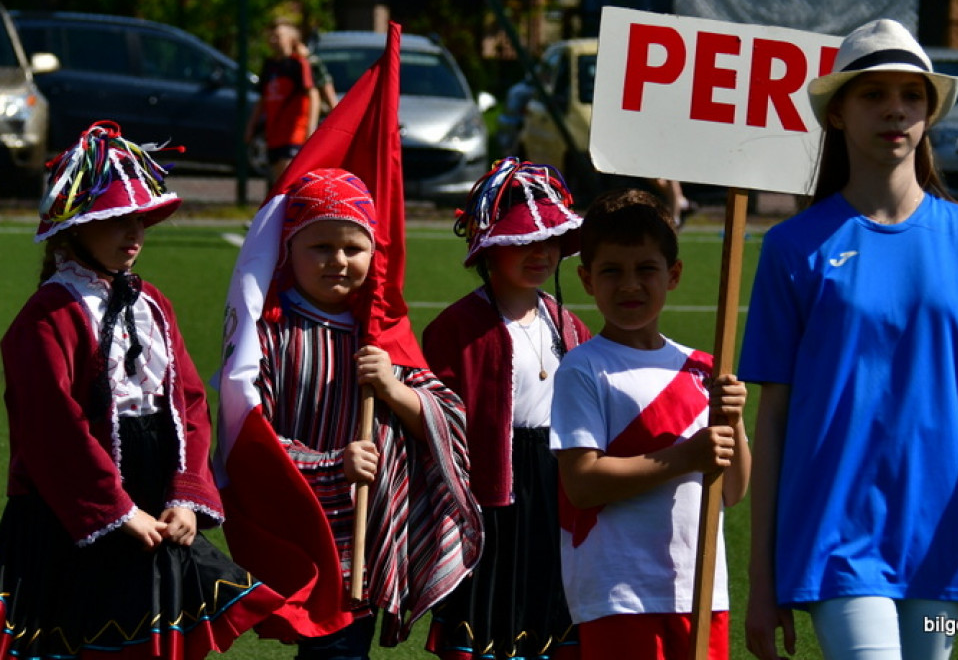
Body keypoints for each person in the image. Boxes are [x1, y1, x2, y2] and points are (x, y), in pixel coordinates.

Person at [739, 19, 958, 660]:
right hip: (835, 533)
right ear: (837, 113)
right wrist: (763, 581)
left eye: (911, 95)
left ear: (929, 113)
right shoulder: (791, 247)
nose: (895, 108)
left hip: (943, 531)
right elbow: (774, 420)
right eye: (873, 94)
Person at [0, 121, 283, 660]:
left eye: (140, 221)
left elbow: (189, 404)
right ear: (75, 228)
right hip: (76, 511)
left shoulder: (151, 302)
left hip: (154, 498)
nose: (133, 235)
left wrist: (184, 494)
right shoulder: (48, 315)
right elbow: (50, 427)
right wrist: (115, 508)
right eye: (115, 221)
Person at [243, 167, 482, 659]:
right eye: (320, 247)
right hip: (307, 529)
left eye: (354, 248)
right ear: (288, 248)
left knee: (346, 648)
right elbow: (251, 438)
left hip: (370, 537)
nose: (338, 261)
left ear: (374, 254)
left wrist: (393, 387)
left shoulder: (381, 333)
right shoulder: (270, 335)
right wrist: (333, 465)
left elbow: (447, 423)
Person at [549, 187, 750, 660]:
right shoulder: (583, 367)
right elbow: (582, 484)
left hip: (700, 589)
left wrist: (734, 423)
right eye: (612, 272)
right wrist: (684, 457)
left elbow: (734, 490)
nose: (630, 286)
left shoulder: (702, 367)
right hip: (620, 593)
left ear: (673, 274)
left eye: (646, 270)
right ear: (586, 279)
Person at [422, 158, 591, 660]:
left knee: (549, 609)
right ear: (488, 248)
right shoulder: (456, 328)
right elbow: (439, 418)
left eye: (549, 239)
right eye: (522, 241)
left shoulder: (569, 324)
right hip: (490, 491)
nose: (539, 252)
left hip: (556, 484)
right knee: (490, 610)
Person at [245, 19, 321, 184]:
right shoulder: (269, 65)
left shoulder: (298, 64)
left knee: (288, 179)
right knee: (276, 180)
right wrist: (251, 126)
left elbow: (313, 95)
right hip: (274, 133)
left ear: (290, 39)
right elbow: (263, 99)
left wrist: (311, 128)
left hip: (294, 133)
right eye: (271, 36)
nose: (273, 40)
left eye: (278, 36)